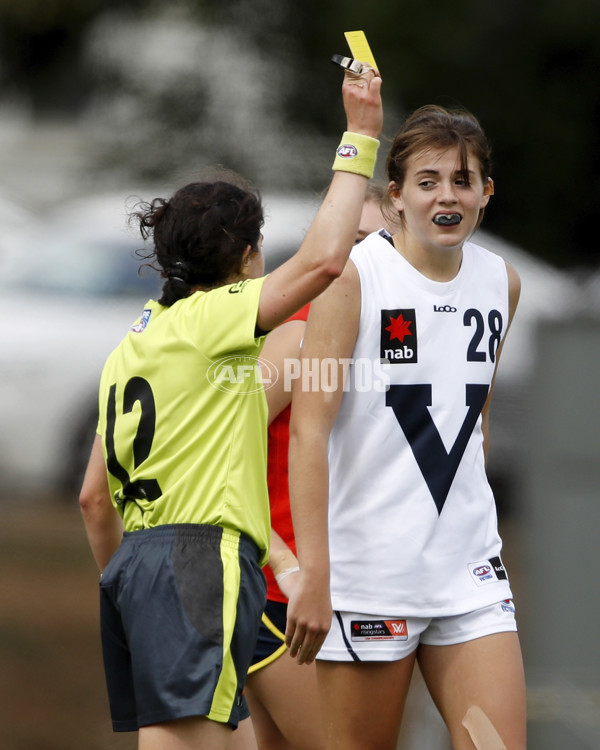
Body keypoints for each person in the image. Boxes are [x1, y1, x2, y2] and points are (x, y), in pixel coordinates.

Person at [78, 61, 382, 750]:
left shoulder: (134, 344)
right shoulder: (215, 320)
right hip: (197, 560)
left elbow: (94, 500)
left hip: (141, 563)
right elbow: (324, 263)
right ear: (246, 256)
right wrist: (360, 135)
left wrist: (130, 585)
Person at [285, 104, 526, 750]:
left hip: (470, 573)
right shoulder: (354, 279)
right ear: (395, 196)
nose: (446, 195)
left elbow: (475, 418)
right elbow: (308, 433)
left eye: (462, 179)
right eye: (427, 181)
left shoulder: (502, 282)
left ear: (485, 193)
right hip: (370, 577)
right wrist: (314, 573)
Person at [238, 185, 392, 750]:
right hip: (284, 597)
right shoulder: (300, 331)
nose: (366, 257)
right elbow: (219, 452)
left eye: (381, 242)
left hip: (342, 589)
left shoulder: (383, 338)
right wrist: (279, 555)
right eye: (351, 242)